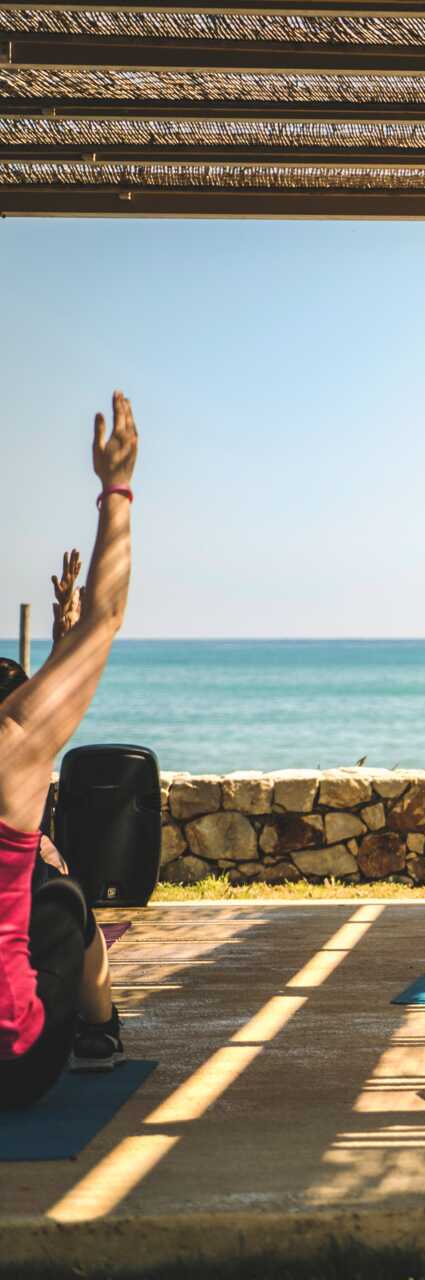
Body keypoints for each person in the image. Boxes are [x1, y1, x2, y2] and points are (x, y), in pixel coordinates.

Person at [2, 393, 140, 1109]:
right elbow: (108, 620)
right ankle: (99, 1031)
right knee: (59, 901)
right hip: (13, 1064)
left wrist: (62, 639)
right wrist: (116, 489)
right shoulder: (10, 751)